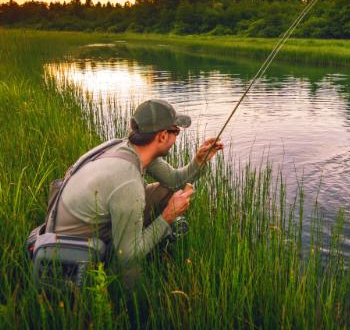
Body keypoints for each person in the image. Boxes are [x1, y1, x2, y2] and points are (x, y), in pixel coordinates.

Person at [47, 99, 223, 281]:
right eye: (176, 132)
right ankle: (127, 299)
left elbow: (174, 181)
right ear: (162, 136)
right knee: (131, 265)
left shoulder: (128, 147)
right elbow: (127, 255)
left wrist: (199, 161)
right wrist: (168, 216)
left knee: (164, 192)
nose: (176, 138)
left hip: (83, 222)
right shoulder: (128, 181)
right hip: (75, 248)